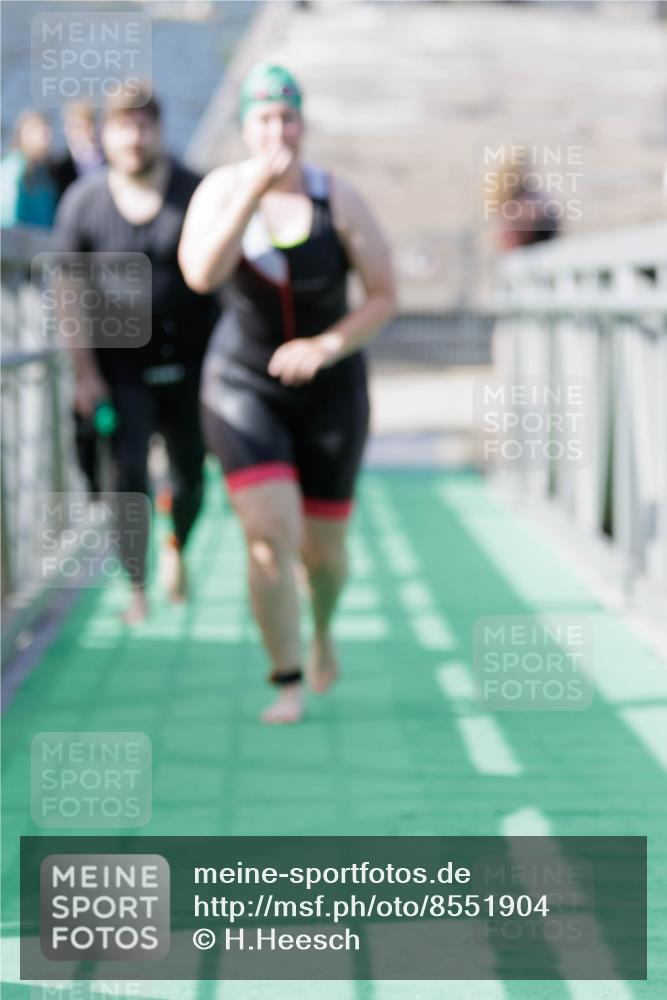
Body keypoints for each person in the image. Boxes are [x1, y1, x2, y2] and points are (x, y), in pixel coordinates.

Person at [178, 64, 396, 724]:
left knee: (323, 554)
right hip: (244, 386)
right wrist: (248, 195)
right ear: (244, 127)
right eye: (264, 118)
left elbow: (385, 295)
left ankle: (323, 629)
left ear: (302, 125)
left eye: (288, 117)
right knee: (269, 534)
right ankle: (287, 678)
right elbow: (199, 274)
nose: (277, 130)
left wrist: (328, 345)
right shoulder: (219, 191)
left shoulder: (338, 199)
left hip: (331, 390)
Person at [53, 83, 220, 623]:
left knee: (191, 476)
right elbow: (68, 290)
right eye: (123, 125)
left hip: (194, 365)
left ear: (159, 129)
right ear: (106, 133)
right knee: (128, 479)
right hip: (121, 368)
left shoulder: (195, 190)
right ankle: (137, 582)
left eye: (144, 124)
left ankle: (177, 545)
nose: (134, 136)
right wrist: (82, 371)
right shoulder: (84, 201)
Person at [1, 110, 58, 228]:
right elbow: (6, 220)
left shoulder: (43, 172)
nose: (47, 140)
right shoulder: (13, 169)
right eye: (42, 134)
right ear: (24, 135)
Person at [51, 100, 105, 201]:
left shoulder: (110, 161)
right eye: (78, 127)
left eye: (87, 126)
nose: (85, 132)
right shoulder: (60, 167)